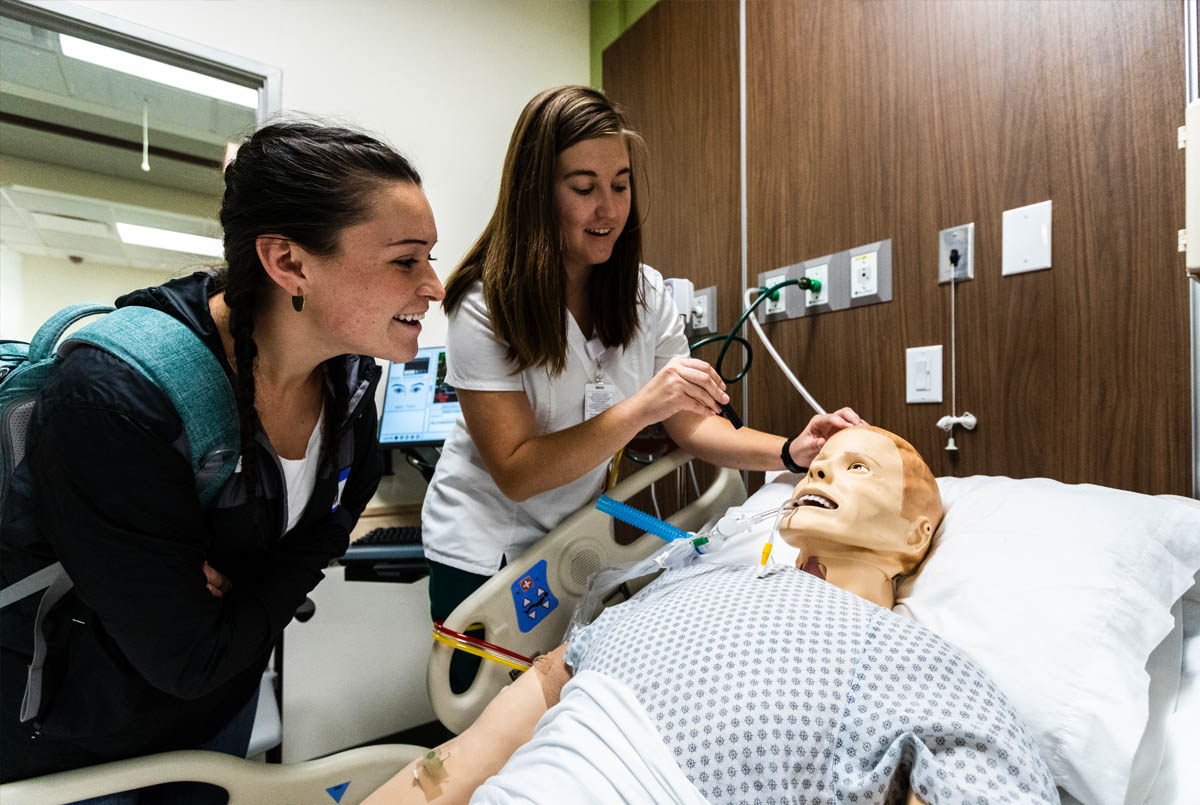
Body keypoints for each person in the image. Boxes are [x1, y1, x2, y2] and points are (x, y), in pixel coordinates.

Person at [0, 121, 444, 795]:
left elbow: (330, 523)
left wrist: (247, 583)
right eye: (407, 260)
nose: (434, 285)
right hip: (82, 741)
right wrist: (265, 583)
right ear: (289, 262)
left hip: (216, 718)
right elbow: (189, 657)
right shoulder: (115, 400)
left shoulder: (350, 387)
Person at [366, 426, 1059, 804]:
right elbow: (454, 766)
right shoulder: (687, 587)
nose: (819, 473)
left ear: (915, 537)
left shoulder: (921, 664)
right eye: (824, 463)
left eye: (858, 470)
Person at [421, 86, 864, 676]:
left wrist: (789, 450)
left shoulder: (644, 295)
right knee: (486, 721)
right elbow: (518, 470)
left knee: (556, 710)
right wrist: (642, 407)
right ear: (537, 192)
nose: (608, 208)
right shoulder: (484, 305)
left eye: (621, 185)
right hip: (485, 551)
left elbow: (691, 425)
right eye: (583, 189)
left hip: (573, 537)